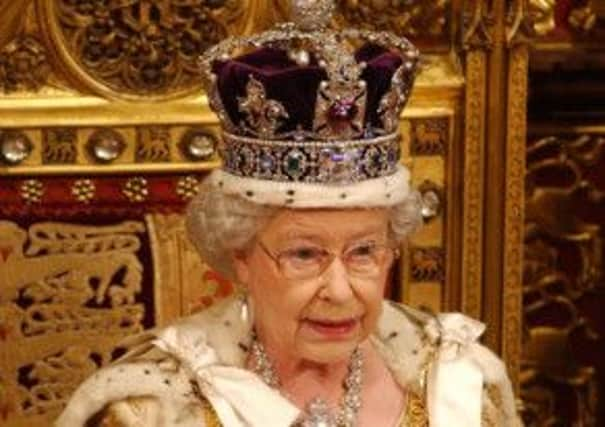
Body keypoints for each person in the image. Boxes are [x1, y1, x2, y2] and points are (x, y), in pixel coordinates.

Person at [56, 1, 521, 426]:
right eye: (304, 254)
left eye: (364, 252)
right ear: (239, 253)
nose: (340, 292)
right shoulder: (153, 410)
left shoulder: (458, 385)